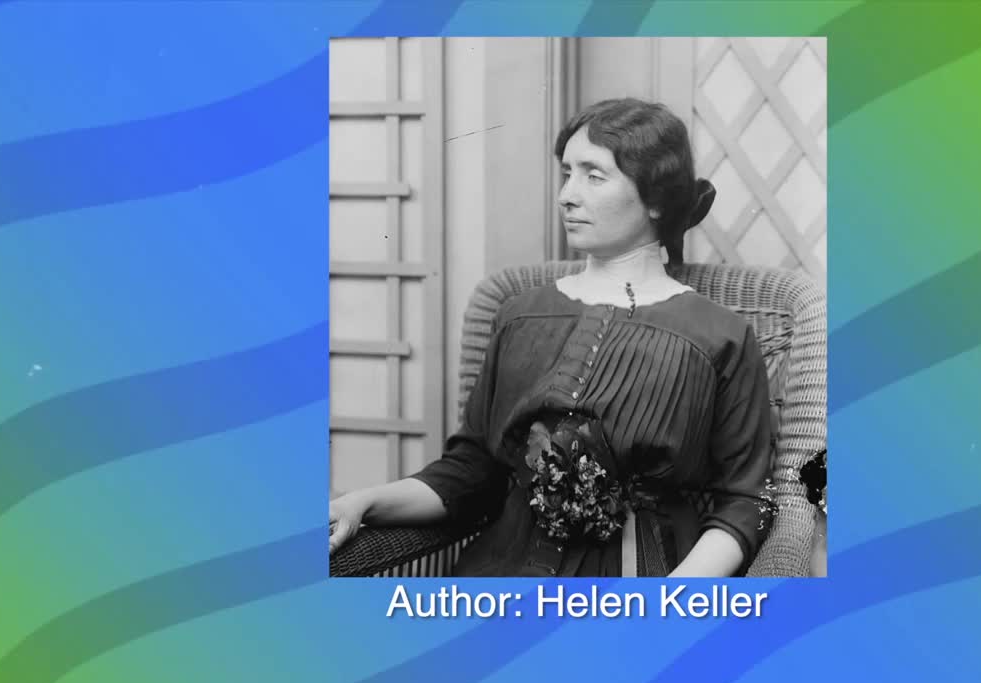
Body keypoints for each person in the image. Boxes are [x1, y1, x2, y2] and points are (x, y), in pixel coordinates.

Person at [329, 98, 776, 577]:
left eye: (593, 176)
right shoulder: (518, 314)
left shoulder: (720, 336)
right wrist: (362, 502)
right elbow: (471, 473)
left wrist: (675, 598)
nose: (566, 195)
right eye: (567, 173)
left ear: (657, 199)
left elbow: (745, 499)